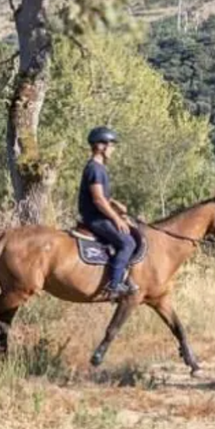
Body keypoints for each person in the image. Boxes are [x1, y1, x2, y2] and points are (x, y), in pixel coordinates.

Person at [78, 126, 140, 301]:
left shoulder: (99, 168)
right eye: (111, 145)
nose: (113, 149)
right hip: (95, 218)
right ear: (100, 146)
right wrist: (115, 218)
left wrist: (113, 203)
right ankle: (114, 285)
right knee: (128, 243)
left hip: (99, 215)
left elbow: (102, 196)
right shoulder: (95, 169)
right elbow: (97, 200)